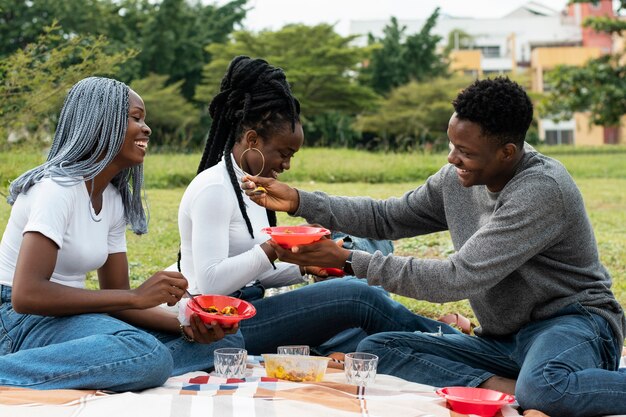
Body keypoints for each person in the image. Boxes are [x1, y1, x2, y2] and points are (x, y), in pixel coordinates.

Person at [242, 77, 626, 416]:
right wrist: (299, 200)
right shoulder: (455, 181)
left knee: (547, 388)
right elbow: (385, 217)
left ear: (507, 152)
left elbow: (455, 279)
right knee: (380, 349)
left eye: (466, 151)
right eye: (452, 143)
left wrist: (348, 260)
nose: (452, 157)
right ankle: (512, 388)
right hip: (503, 341)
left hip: (574, 322)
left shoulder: (541, 190)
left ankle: (535, 388)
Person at [174, 55, 458, 356]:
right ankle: (453, 344)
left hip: (251, 311)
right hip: (222, 328)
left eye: (292, 156)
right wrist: (274, 247)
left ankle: (436, 345)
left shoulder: (251, 185)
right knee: (356, 297)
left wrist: (306, 268)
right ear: (252, 139)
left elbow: (253, 272)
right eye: (283, 153)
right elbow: (212, 284)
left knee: (363, 320)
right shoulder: (215, 188)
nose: (286, 164)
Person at [0, 77, 243, 392]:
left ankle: (107, 364)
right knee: (146, 354)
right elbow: (26, 296)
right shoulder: (55, 190)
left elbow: (115, 298)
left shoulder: (112, 199)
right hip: (16, 320)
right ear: (101, 123)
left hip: (66, 316)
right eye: (135, 118)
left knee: (222, 339)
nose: (146, 129)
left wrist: (187, 326)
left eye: (144, 119)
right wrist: (137, 296)